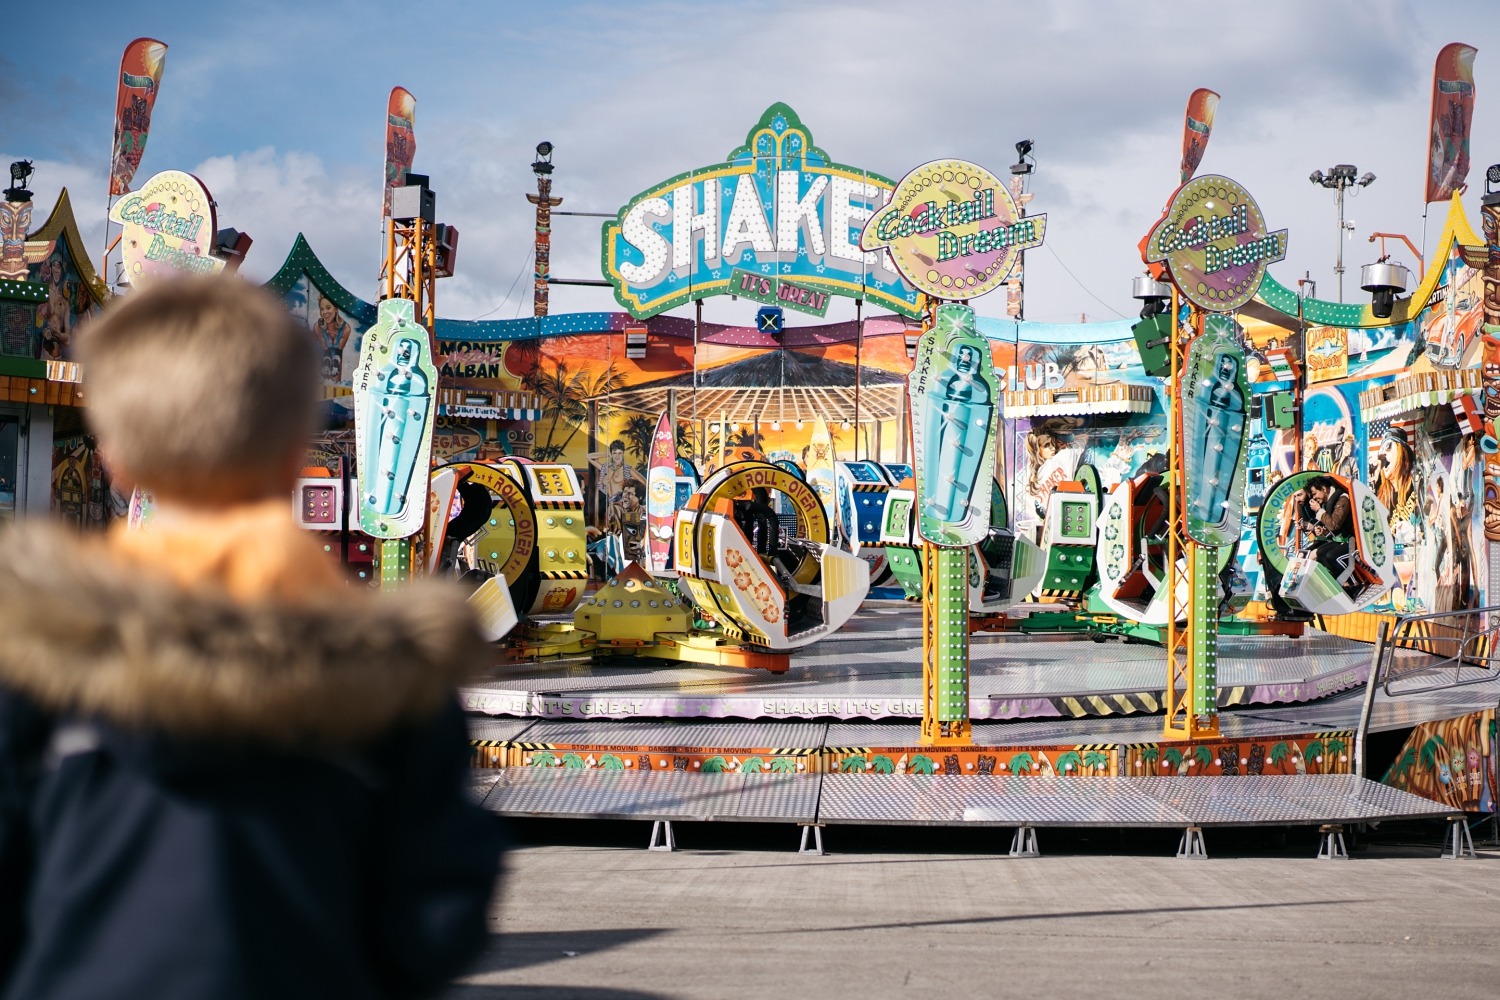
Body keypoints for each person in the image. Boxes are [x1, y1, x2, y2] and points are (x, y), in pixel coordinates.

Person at [0, 276, 502, 998]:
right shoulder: (393, 679)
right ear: (295, 443)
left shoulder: (33, 659)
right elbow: (438, 912)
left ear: (116, 452)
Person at [1297, 474, 1354, 581]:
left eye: (1315, 494)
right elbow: (1331, 527)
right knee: (1314, 554)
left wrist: (1319, 511)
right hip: (1339, 540)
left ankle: (1352, 583)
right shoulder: (1327, 503)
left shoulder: (1342, 499)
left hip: (1352, 541)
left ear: (1324, 489)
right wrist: (1322, 530)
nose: (1314, 498)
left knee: (1331, 556)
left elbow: (1334, 524)